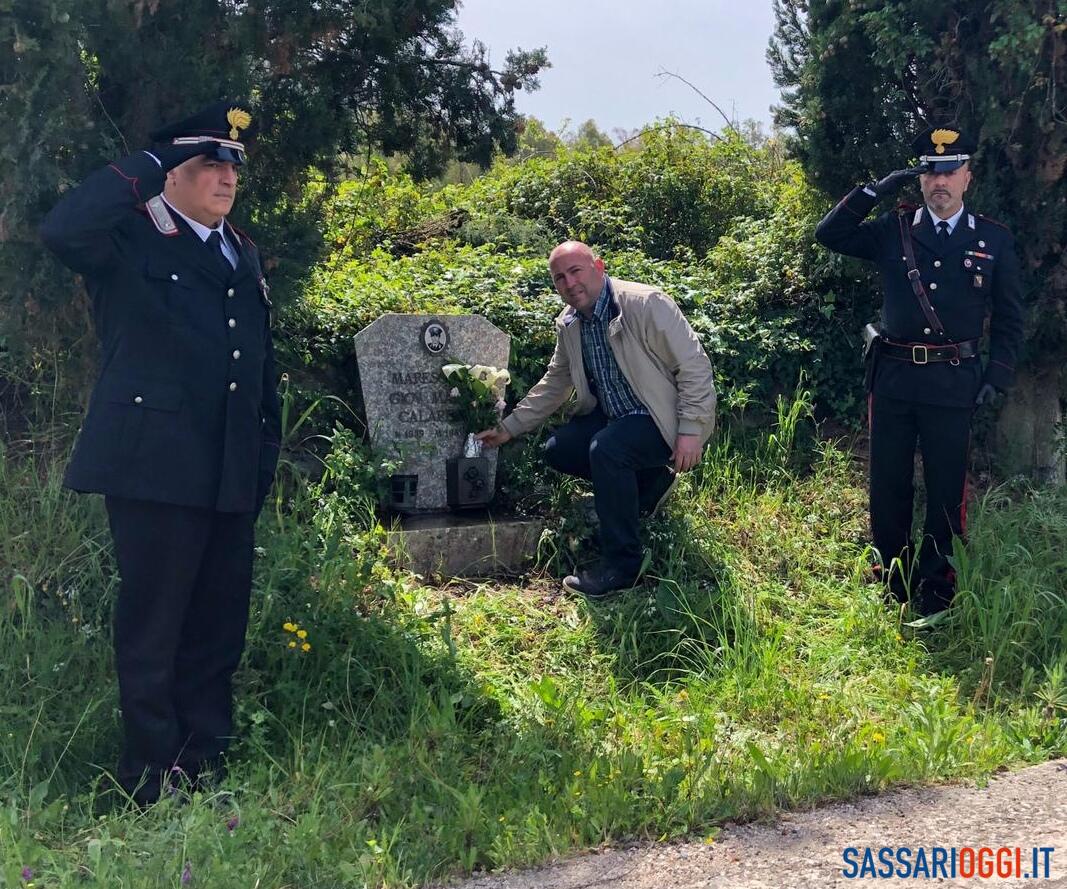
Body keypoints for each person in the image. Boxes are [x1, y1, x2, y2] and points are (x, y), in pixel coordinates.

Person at [39, 100, 281, 803]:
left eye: (232, 163)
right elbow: (61, 229)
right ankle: (151, 774)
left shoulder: (241, 248)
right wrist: (151, 163)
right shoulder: (130, 236)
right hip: (154, 466)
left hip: (229, 467)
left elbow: (257, 365)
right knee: (155, 627)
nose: (225, 175)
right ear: (172, 171)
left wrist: (263, 450)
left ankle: (205, 760)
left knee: (216, 626)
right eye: (208, 162)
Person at [814, 125, 1024, 616]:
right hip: (893, 380)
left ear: (968, 176)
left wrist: (998, 374)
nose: (940, 181)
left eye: (950, 170)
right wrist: (873, 190)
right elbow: (831, 234)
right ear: (920, 179)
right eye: (930, 171)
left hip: (954, 383)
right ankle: (890, 572)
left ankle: (937, 582)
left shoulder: (993, 240)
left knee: (947, 486)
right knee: (888, 481)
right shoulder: (895, 228)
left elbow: (1011, 316)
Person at [476, 241, 716, 599]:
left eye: (576, 271)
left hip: (662, 416)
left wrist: (691, 430)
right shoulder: (571, 324)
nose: (569, 283)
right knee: (559, 450)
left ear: (598, 267)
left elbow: (694, 366)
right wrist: (509, 427)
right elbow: (556, 383)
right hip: (617, 416)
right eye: (560, 278)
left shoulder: (646, 304)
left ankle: (622, 566)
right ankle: (649, 486)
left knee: (607, 450)